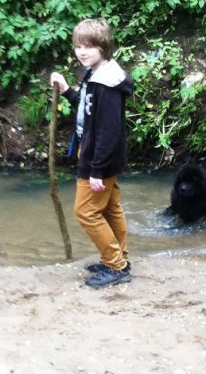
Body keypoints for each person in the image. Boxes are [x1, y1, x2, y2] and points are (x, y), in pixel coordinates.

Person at [50, 18, 133, 288]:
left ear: (104, 47)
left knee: (85, 211)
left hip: (99, 158)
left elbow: (108, 131)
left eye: (89, 46)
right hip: (103, 156)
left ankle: (116, 265)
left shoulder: (105, 83)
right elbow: (88, 111)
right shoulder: (96, 74)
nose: (82, 52)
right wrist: (67, 91)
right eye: (78, 46)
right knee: (110, 208)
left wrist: (97, 169)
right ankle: (118, 257)